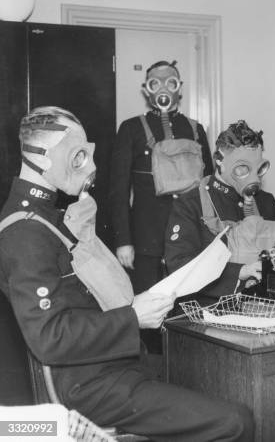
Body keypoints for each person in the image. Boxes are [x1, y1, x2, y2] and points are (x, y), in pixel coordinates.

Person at [0, 107, 253, 442]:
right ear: (43, 158)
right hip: (89, 385)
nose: (90, 167)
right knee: (235, 422)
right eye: (77, 157)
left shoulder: (50, 217)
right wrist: (133, 317)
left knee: (227, 382)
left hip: (109, 364)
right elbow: (50, 337)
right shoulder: (26, 232)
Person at [109, 60, 213, 353]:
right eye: (156, 82)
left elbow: (208, 186)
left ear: (180, 89)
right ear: (146, 90)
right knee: (150, 312)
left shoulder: (195, 129)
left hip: (190, 235)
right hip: (146, 238)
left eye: (171, 82)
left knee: (188, 309)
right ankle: (152, 373)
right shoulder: (130, 128)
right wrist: (123, 240)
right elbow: (118, 190)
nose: (163, 88)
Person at [165, 120, 275, 304]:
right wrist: (239, 272)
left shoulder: (264, 201)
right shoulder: (191, 204)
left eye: (258, 168)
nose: (252, 177)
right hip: (207, 310)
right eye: (242, 167)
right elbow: (179, 264)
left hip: (261, 308)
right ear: (219, 160)